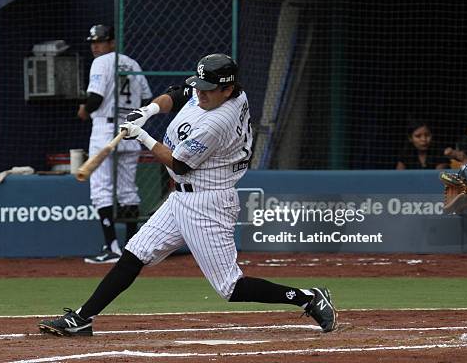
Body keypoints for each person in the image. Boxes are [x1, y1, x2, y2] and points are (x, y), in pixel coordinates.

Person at [39, 53, 338, 336]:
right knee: (134, 254)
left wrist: (142, 135)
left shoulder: (218, 122)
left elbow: (179, 165)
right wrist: (149, 110)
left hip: (208, 202)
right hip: (181, 199)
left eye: (209, 90)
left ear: (228, 89)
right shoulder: (217, 91)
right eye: (202, 86)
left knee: (231, 288)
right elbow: (180, 92)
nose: (201, 94)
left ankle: (308, 298)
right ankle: (81, 319)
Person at [78, 24, 152, 264]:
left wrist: (83, 109)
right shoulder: (133, 63)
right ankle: (133, 250)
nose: (95, 46)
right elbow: (148, 100)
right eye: (93, 41)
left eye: (100, 41)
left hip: (105, 130)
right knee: (127, 190)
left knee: (101, 189)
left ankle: (112, 249)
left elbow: (95, 98)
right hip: (130, 129)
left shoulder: (101, 62)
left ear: (112, 42)